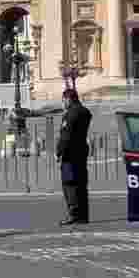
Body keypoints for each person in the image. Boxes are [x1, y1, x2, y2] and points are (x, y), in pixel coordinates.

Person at [56, 88, 92, 226]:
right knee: (81, 184)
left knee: (70, 185)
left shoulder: (70, 114)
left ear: (68, 99)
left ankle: (74, 214)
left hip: (70, 154)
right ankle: (83, 215)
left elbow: (66, 136)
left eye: (63, 100)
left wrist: (59, 152)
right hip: (82, 151)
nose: (63, 103)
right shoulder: (85, 112)